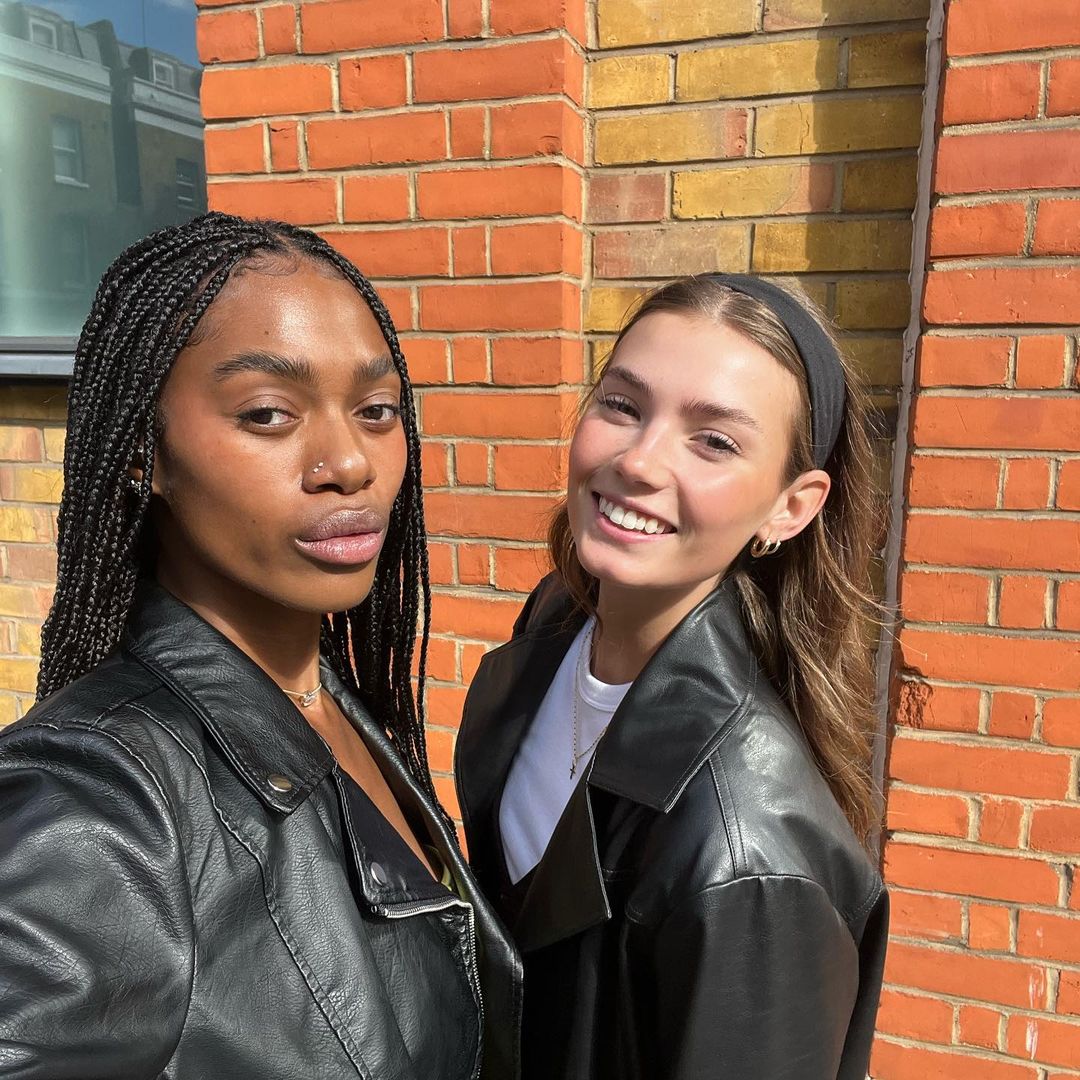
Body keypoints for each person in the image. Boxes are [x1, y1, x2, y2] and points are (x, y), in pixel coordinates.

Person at [0, 212, 520, 1080]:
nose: (349, 463)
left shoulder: (327, 694)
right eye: (270, 413)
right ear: (142, 453)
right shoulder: (93, 796)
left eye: (377, 410)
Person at [456, 273, 889, 1079]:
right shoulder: (555, 622)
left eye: (714, 441)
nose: (639, 460)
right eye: (623, 405)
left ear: (791, 507)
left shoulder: (753, 859)